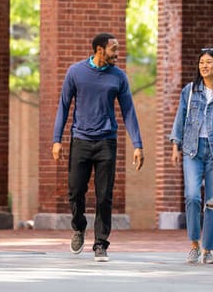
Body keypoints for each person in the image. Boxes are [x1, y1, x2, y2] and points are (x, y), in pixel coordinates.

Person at [52, 33, 145, 262]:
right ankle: (79, 227)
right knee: (75, 191)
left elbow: (129, 111)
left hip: (106, 141)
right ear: (99, 50)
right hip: (80, 140)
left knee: (104, 196)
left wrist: (137, 144)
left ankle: (101, 244)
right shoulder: (76, 72)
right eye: (114, 49)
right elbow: (63, 106)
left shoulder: (119, 77)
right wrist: (57, 140)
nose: (117, 53)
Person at [169, 47, 213, 265]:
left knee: (212, 202)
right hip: (192, 149)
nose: (204, 66)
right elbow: (180, 119)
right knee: (192, 196)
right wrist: (175, 146)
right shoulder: (190, 91)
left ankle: (208, 249)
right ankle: (193, 245)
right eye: (201, 62)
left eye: (209, 62)